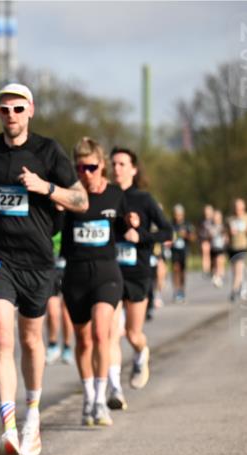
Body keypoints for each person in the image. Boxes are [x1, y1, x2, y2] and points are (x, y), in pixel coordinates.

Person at [0, 83, 88, 455]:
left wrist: (45, 187)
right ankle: (7, 429)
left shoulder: (48, 151)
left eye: (18, 109)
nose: (11, 116)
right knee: (2, 337)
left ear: (31, 110)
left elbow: (81, 201)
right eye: (5, 110)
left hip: (38, 260)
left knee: (32, 341)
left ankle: (32, 417)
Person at [60, 138, 131, 427]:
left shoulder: (114, 195)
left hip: (106, 274)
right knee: (83, 339)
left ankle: (101, 399)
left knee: (102, 333)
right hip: (75, 274)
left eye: (91, 167)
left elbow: (125, 227)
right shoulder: (70, 197)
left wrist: (133, 224)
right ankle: (88, 396)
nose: (85, 173)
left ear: (101, 165)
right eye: (79, 168)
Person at [108, 146, 172, 406]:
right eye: (113, 164)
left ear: (133, 170)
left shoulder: (145, 200)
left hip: (137, 272)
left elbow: (168, 232)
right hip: (110, 272)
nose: (117, 168)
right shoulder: (106, 196)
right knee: (111, 334)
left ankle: (141, 353)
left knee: (133, 334)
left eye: (122, 164)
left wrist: (142, 236)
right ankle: (114, 391)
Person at [45, 229, 75, 365]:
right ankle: (52, 344)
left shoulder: (70, 219)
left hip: (69, 269)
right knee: (52, 311)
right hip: (51, 269)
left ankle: (67, 347)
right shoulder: (49, 219)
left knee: (66, 312)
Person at [227, 197, 247, 301]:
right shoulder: (230, 218)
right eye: (236, 208)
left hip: (242, 246)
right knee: (234, 272)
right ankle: (241, 285)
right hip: (231, 247)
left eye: (240, 208)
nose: (238, 210)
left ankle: (233, 291)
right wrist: (229, 233)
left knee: (239, 270)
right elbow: (225, 234)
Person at [170, 204, 194, 303]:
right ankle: (176, 291)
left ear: (182, 215)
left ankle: (182, 291)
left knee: (183, 272)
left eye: (179, 215)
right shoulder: (171, 224)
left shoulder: (187, 224)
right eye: (176, 214)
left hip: (184, 250)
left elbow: (193, 238)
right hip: (174, 250)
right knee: (176, 269)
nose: (177, 217)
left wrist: (186, 235)